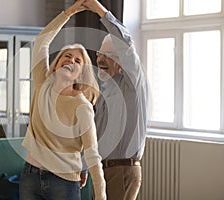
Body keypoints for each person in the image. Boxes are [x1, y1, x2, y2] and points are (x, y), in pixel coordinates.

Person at [19, 0, 106, 200]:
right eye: (67, 56)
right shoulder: (43, 83)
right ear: (57, 64)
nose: (71, 61)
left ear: (80, 74)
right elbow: (42, 40)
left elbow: (92, 153)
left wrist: (101, 195)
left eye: (78, 61)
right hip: (30, 175)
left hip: (64, 182)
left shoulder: (82, 106)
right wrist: (70, 12)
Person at [83, 0, 150, 200]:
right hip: (102, 171)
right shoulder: (103, 90)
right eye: (99, 54)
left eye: (110, 55)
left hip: (121, 171)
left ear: (123, 62)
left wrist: (99, 9)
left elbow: (125, 42)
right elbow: (95, 136)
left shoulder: (132, 84)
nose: (101, 59)